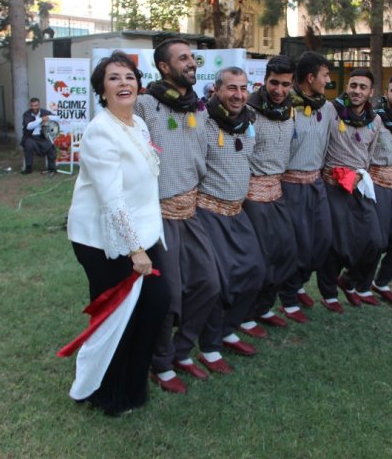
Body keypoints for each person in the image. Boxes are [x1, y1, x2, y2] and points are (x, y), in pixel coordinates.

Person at [65, 51, 169, 416]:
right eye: (113, 78)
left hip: (142, 234)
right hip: (105, 239)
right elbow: (112, 199)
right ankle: (106, 394)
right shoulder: (100, 131)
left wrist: (148, 239)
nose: (123, 83)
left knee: (154, 304)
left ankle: (133, 387)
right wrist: (135, 249)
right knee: (118, 319)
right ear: (102, 89)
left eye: (129, 76)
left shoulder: (136, 124)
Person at [134, 38, 221, 392]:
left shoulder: (199, 107)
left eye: (192, 57)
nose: (190, 62)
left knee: (210, 283)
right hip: (158, 215)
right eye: (182, 58)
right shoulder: (143, 105)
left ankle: (183, 351)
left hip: (192, 210)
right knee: (169, 296)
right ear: (164, 67)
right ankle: (161, 363)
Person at [197, 66, 265, 364]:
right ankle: (209, 346)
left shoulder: (249, 121)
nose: (238, 95)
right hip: (208, 213)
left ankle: (227, 329)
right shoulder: (201, 122)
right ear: (216, 90)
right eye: (231, 88)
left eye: (242, 88)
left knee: (255, 271)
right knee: (218, 282)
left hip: (238, 211)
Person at [240, 55, 299, 333]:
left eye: (285, 84)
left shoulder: (290, 110)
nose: (279, 90)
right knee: (259, 259)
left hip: (278, 192)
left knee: (285, 253)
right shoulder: (248, 110)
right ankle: (246, 313)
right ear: (264, 80)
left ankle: (264, 307)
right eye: (274, 83)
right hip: (251, 197)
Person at [344, 75, 392, 305]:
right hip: (375, 183)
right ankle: (356, 283)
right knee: (377, 241)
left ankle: (381, 282)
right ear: (386, 94)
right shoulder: (374, 119)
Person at [319, 68, 383, 311]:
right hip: (332, 186)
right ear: (347, 87)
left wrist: (360, 176)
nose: (357, 91)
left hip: (358, 186)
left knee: (375, 240)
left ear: (371, 92)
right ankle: (328, 293)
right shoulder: (331, 112)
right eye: (353, 85)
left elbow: (369, 155)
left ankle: (349, 280)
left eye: (362, 87)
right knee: (336, 245)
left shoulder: (375, 120)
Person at [278, 51, 335, 318]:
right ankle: (289, 295)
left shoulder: (328, 107)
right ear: (310, 78)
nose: (328, 81)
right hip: (290, 186)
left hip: (317, 184)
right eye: (325, 75)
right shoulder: (285, 107)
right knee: (296, 244)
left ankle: (299, 283)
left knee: (322, 241)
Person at [21, 97, 58, 174]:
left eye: (36, 105)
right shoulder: (26, 114)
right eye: (32, 106)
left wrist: (48, 117)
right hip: (30, 137)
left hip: (42, 136)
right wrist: (41, 119)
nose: (34, 108)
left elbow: (58, 118)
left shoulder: (44, 112)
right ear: (30, 106)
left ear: (39, 105)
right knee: (29, 145)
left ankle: (51, 167)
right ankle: (28, 167)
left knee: (51, 145)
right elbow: (29, 126)